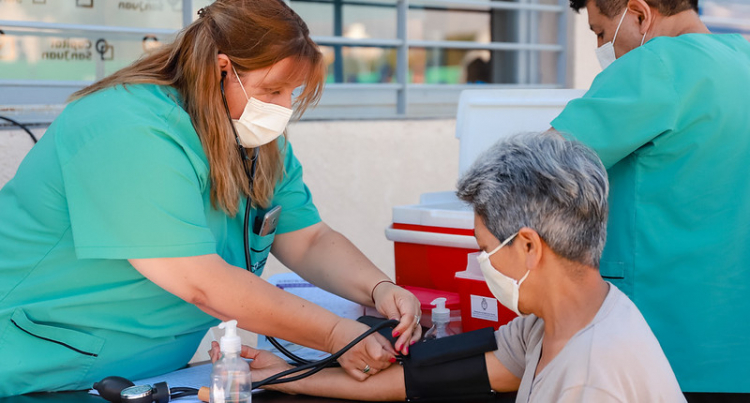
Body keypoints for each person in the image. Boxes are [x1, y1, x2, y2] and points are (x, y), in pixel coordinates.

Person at [0, 0, 422, 396]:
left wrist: (378, 289)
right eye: (271, 91)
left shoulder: (256, 142)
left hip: (148, 376)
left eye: (290, 94)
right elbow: (201, 282)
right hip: (35, 369)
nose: (281, 109)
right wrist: (335, 334)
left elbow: (309, 239)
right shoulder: (126, 128)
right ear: (222, 69)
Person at [211, 132, 685, 402]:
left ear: (527, 246)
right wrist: (287, 376)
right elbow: (429, 374)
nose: (481, 264)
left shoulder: (590, 382)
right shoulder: (560, 323)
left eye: (484, 247)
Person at [550, 0, 750, 401]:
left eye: (601, 32)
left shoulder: (656, 64)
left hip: (662, 342)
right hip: (736, 346)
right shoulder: (741, 60)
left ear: (639, 14)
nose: (602, 48)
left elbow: (540, 168)